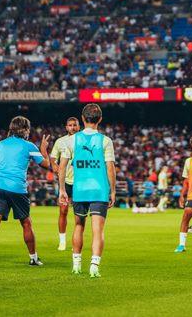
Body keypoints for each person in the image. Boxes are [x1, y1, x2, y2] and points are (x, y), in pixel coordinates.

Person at [0, 116, 51, 269]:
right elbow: (46, 165)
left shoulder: (0, 145)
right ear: (24, 130)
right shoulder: (29, 145)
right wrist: (43, 149)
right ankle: (33, 258)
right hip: (17, 189)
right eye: (28, 129)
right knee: (26, 223)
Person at [58, 104, 115, 278]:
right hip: (99, 190)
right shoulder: (105, 141)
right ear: (100, 120)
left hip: (79, 189)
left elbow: (62, 167)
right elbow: (110, 169)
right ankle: (94, 268)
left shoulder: (71, 140)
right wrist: (112, 191)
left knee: (78, 225)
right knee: (98, 230)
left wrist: (62, 189)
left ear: (82, 119)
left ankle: (76, 265)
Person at [49, 117, 79, 251]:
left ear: (79, 126)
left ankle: (76, 242)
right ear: (66, 127)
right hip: (65, 181)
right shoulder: (60, 141)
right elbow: (53, 156)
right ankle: (62, 241)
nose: (72, 127)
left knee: (79, 214)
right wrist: (53, 164)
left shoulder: (82, 140)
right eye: (70, 125)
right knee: (63, 211)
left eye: (75, 125)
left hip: (79, 181)